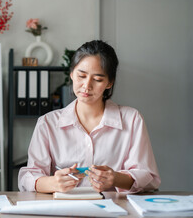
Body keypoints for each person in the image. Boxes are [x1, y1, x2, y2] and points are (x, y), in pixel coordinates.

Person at [18, 40, 160, 193]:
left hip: (116, 210)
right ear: (71, 74)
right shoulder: (48, 123)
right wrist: (53, 183)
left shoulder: (131, 119)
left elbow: (149, 178)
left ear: (109, 83)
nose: (87, 86)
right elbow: (28, 178)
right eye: (81, 76)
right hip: (64, 211)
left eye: (98, 79)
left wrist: (116, 178)